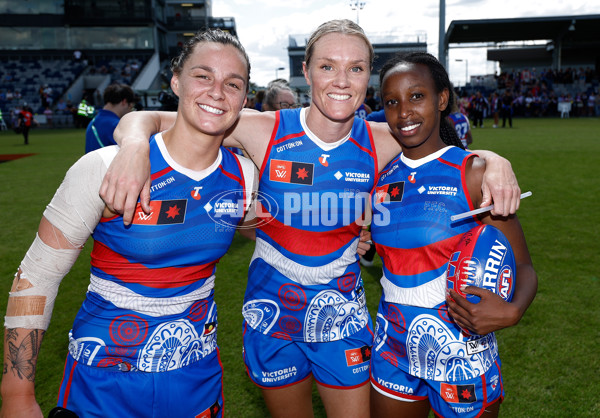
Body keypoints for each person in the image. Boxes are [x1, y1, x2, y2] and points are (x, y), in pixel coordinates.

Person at [99, 20, 521, 417]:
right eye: (327, 66)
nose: (341, 80)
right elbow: (150, 118)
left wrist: (495, 160)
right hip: (270, 316)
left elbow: (443, 153)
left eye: (355, 68)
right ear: (306, 71)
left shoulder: (382, 139)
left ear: (368, 76)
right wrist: (136, 145)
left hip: (343, 320)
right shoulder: (262, 129)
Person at [0, 29, 257, 418]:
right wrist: (16, 395)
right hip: (102, 378)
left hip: (197, 375)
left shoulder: (247, 177)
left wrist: (355, 232)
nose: (217, 91)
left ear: (244, 96)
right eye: (203, 75)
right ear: (175, 80)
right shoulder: (103, 167)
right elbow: (36, 277)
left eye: (232, 83)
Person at [369, 51, 537, 418]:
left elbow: (523, 266)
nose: (404, 112)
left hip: (461, 350)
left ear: (441, 99)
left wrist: (512, 311)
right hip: (392, 348)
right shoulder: (382, 175)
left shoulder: (474, 174)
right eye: (391, 102)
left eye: (417, 96)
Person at [85, 83, 137, 153]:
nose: (130, 111)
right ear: (124, 102)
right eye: (131, 107)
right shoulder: (117, 125)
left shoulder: (92, 123)